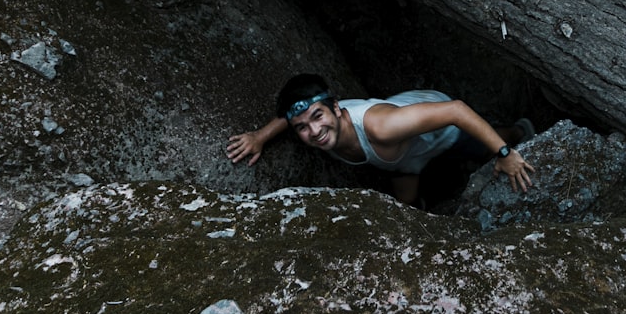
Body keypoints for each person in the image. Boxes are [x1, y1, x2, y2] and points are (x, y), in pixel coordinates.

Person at [226, 73, 535, 205]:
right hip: (404, 160)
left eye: (318, 117)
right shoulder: (319, 123)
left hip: (442, 131)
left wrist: (505, 152)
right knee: (408, 207)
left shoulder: (380, 126)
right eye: (302, 128)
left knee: (487, 145)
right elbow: (292, 115)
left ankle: (520, 130)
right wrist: (259, 137)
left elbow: (455, 111)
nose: (314, 131)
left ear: (337, 108)